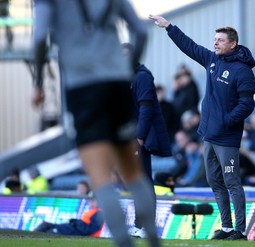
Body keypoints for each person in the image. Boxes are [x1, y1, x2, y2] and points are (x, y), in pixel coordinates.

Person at [32, 1, 159, 247]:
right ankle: (153, 239)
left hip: (83, 87)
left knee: (100, 177)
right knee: (133, 172)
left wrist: (38, 82)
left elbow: (39, 37)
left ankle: (124, 241)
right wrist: (128, 70)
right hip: (117, 83)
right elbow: (141, 31)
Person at [150, 15, 255, 240]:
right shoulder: (212, 60)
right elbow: (189, 46)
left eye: (220, 40)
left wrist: (227, 120)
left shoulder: (243, 71)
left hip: (227, 138)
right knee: (214, 182)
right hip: (208, 136)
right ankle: (226, 227)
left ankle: (241, 230)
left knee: (232, 182)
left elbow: (247, 104)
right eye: (214, 39)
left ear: (232, 44)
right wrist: (169, 27)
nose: (215, 43)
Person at [122, 42, 172, 182]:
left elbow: (146, 109)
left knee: (143, 179)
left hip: (138, 136)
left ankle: (148, 205)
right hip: (128, 135)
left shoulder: (142, 77)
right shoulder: (125, 78)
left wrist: (140, 136)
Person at [34, 197, 104, 237]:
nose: (90, 203)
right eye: (90, 201)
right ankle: (28, 238)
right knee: (45, 224)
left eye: (92, 201)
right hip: (71, 228)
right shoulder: (94, 211)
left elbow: (90, 229)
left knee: (49, 232)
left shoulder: (99, 213)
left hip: (75, 232)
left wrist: (76, 222)